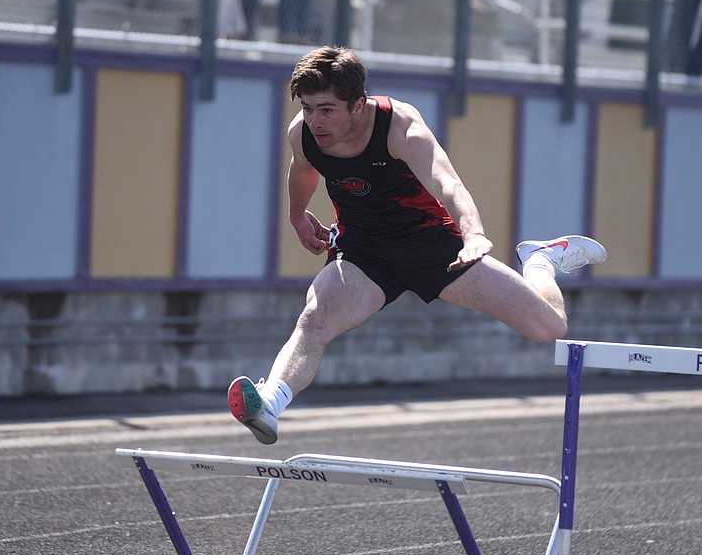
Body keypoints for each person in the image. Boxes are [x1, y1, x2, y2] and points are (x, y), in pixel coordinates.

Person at [226, 46, 607, 444]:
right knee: (314, 320)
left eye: (326, 110)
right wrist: (297, 216)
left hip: (432, 244)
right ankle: (269, 402)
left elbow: (449, 185)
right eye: (307, 108)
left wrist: (474, 234)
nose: (315, 121)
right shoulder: (303, 133)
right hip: (363, 251)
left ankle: (542, 260)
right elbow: (302, 170)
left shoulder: (400, 127)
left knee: (549, 327)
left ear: (358, 104)